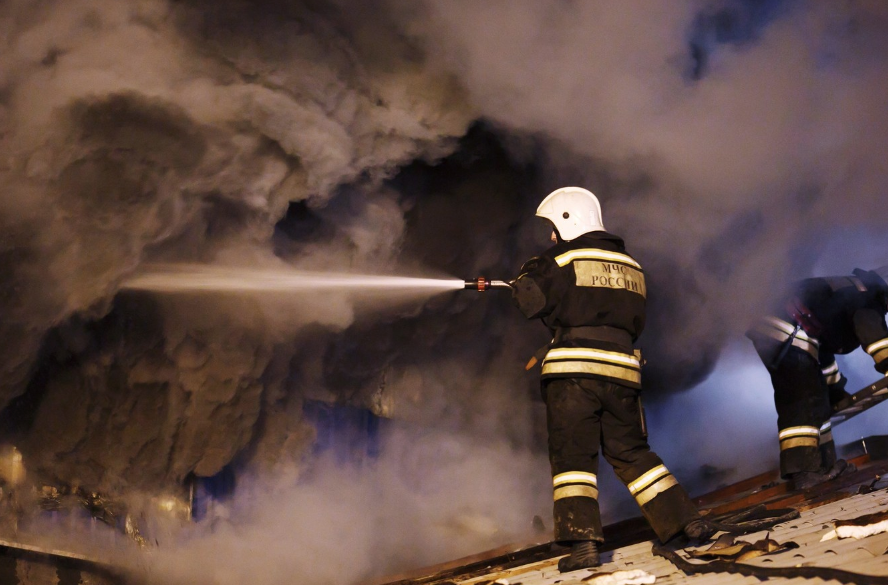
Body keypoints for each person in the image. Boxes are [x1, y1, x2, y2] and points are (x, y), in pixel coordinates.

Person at [512, 186, 715, 573]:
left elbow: (530, 301)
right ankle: (684, 521)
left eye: (553, 227)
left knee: (573, 458)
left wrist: (523, 276)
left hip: (574, 373)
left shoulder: (561, 259)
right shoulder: (631, 265)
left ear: (569, 220)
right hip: (623, 372)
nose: (551, 236)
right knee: (632, 453)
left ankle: (583, 544)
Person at [746, 266, 888, 490]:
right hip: (784, 327)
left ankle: (824, 467)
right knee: (803, 397)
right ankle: (805, 473)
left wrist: (835, 390)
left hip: (785, 329)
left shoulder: (847, 295)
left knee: (818, 399)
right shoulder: (866, 297)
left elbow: (823, 354)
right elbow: (878, 341)